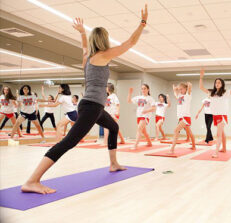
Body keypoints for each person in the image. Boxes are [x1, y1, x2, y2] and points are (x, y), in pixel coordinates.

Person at [21, 5, 148, 194]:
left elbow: (83, 48)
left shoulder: (88, 57)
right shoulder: (103, 55)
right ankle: (32, 180)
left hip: (93, 106)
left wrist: (82, 32)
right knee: (69, 142)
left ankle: (113, 164)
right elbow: (130, 43)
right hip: (91, 107)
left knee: (113, 127)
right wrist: (142, 23)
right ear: (104, 40)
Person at [199, 69, 231, 158]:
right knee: (222, 133)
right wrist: (201, 77)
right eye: (216, 82)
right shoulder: (212, 92)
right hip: (215, 116)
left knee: (218, 134)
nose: (217, 84)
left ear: (222, 84)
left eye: (219, 83)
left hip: (222, 116)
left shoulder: (225, 92)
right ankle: (224, 148)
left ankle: (216, 152)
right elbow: (201, 87)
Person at [127, 84, 156, 149]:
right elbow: (129, 101)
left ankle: (135, 146)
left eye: (144, 88)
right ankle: (149, 142)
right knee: (144, 131)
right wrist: (130, 93)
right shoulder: (138, 97)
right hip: (139, 116)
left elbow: (154, 108)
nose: (143, 90)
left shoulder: (150, 98)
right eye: (142, 88)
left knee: (139, 129)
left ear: (148, 89)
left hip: (145, 116)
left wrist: (146, 111)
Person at [170, 82, 196, 153]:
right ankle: (194, 146)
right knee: (189, 132)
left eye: (181, 89)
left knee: (176, 130)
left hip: (185, 117)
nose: (180, 91)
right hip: (181, 117)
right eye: (179, 89)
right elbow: (175, 94)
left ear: (185, 89)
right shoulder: (179, 96)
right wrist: (174, 89)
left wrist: (189, 85)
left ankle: (172, 149)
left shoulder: (188, 95)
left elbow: (190, 88)